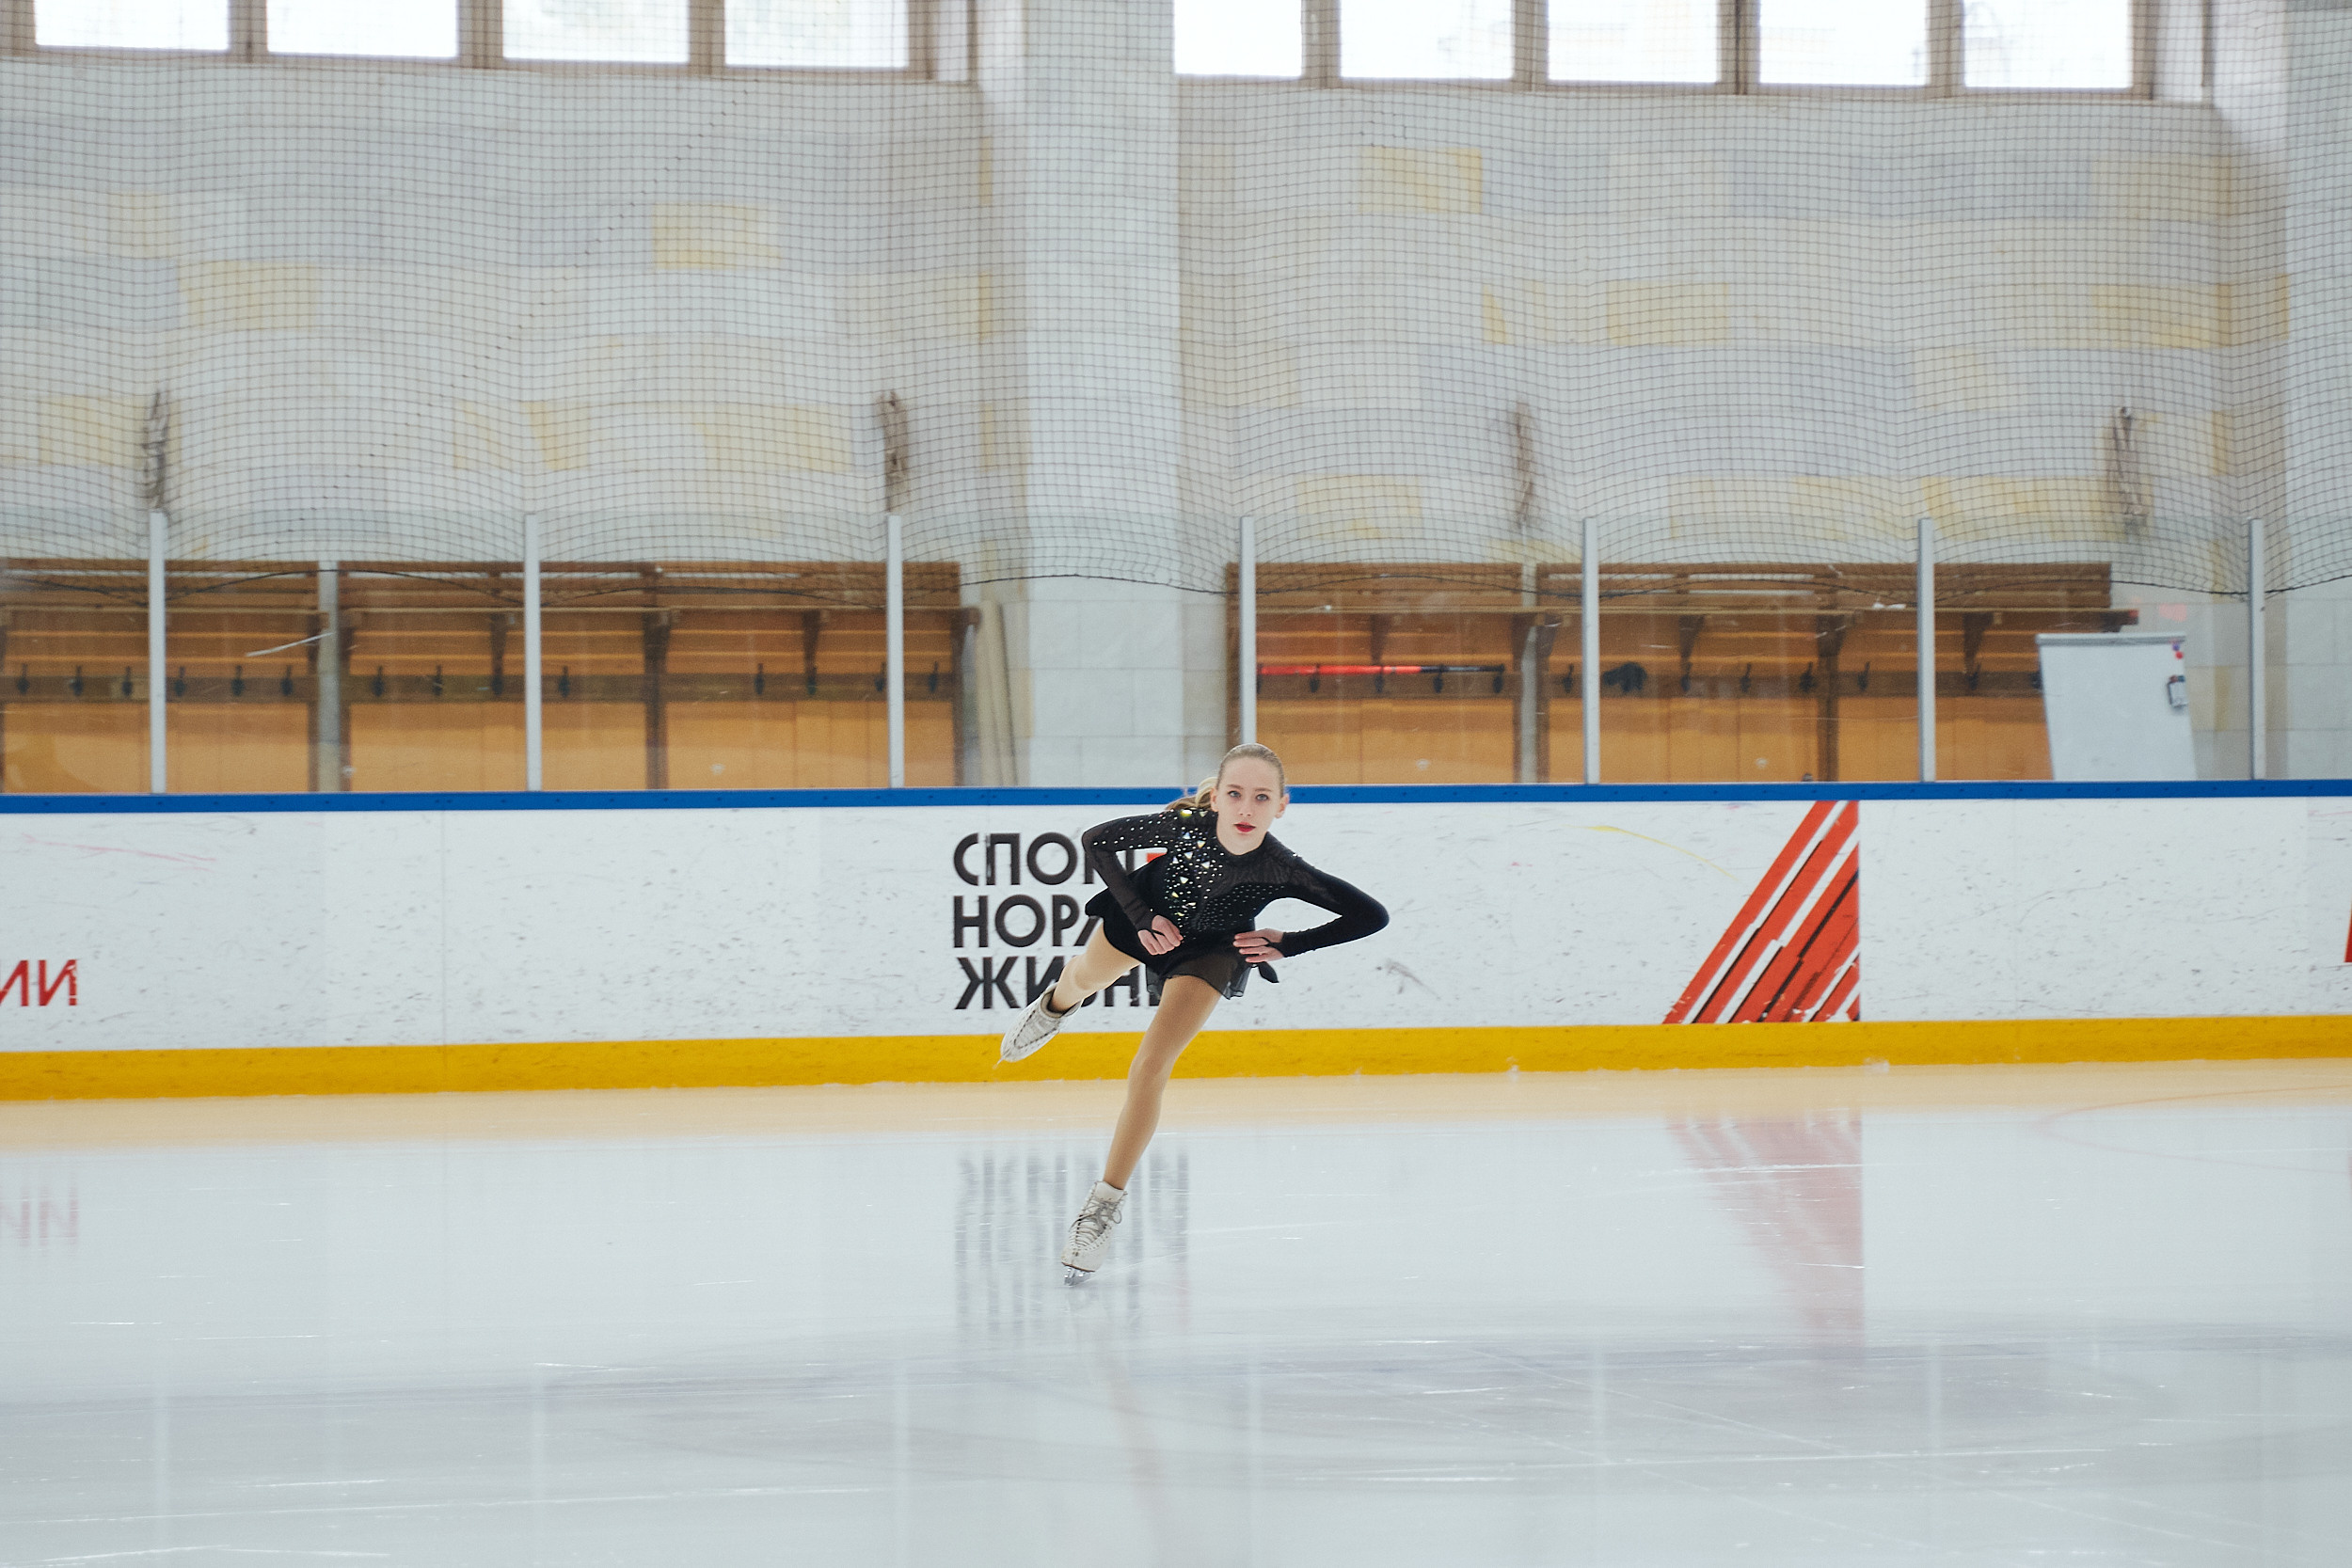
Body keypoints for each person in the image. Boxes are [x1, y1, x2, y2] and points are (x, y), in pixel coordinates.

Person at [997, 742, 1389, 1280]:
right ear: (1218, 798)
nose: (1246, 808)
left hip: (1211, 951)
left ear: (1282, 805)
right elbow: (1097, 841)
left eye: (1261, 797)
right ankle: (1054, 1008)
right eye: (1235, 794)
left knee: (1150, 1066)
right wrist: (1140, 917)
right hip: (1145, 919)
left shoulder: (1281, 868)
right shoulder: (1186, 828)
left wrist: (1291, 944)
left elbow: (1370, 915)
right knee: (1085, 978)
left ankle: (1102, 1207)